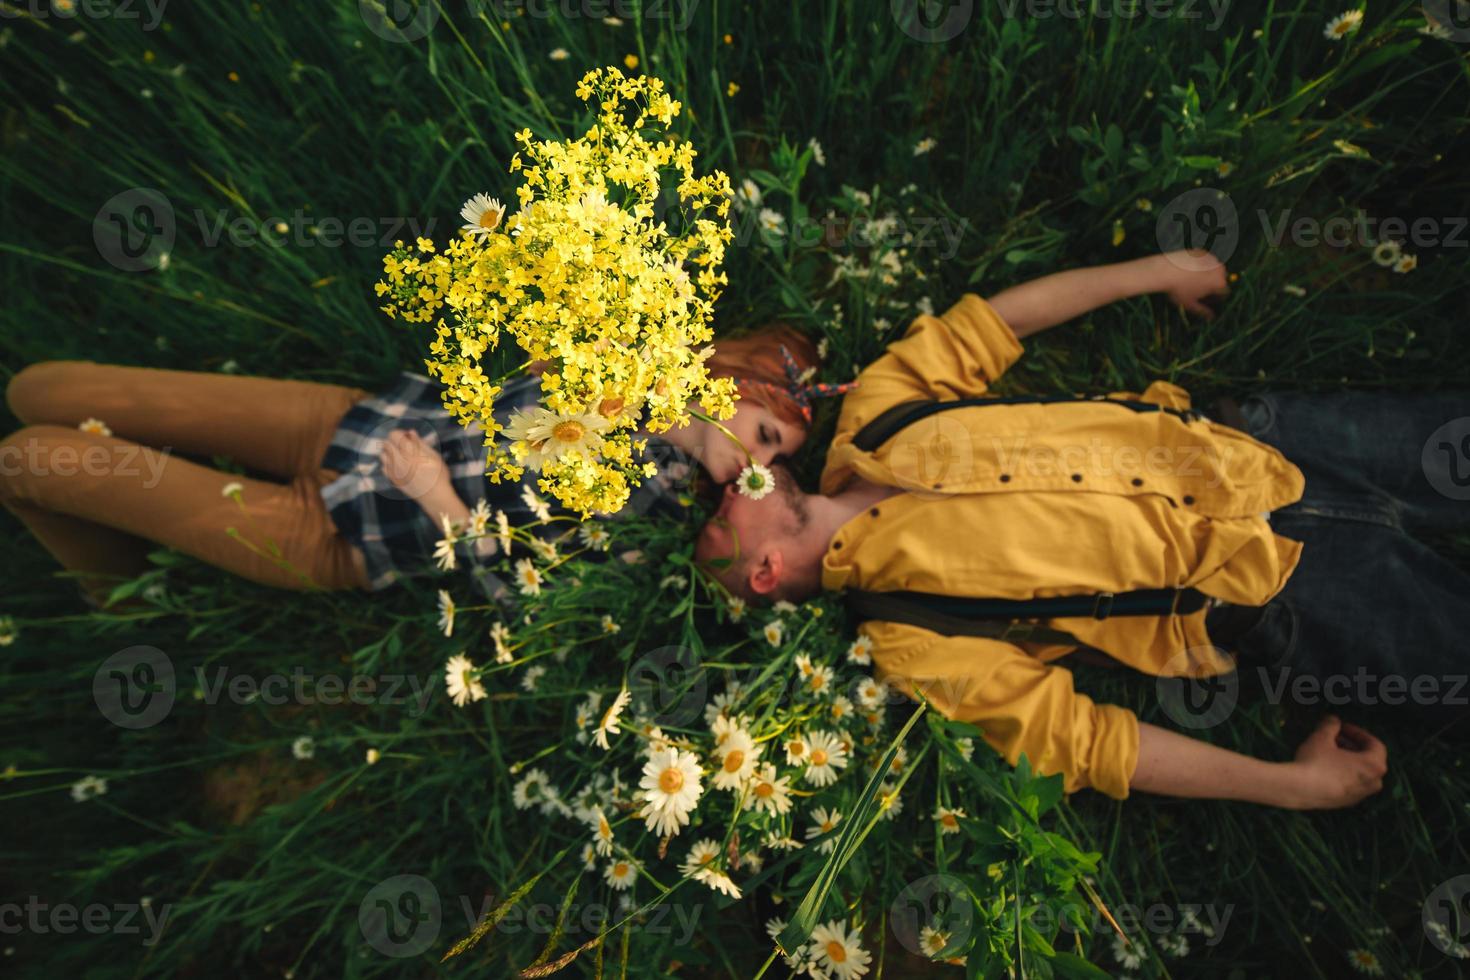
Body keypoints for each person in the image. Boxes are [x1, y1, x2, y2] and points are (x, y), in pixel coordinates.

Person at [697, 248, 1467, 811]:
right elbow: (1094, 743)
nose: (730, 480)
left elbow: (994, 323)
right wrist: (1291, 787)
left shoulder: (876, 414)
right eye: (718, 511)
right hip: (1283, 589)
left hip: (1262, 440)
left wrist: (1160, 268)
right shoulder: (907, 640)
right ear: (763, 571)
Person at [0, 325, 823, 607]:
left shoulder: (660, 507)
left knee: (29, 460)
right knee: (40, 389)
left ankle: (121, 593)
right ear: (734, 376)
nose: (757, 464)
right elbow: (497, 384)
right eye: (767, 432)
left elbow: (530, 603)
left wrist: (441, 503)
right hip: (350, 421)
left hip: (341, 534)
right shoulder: (634, 360)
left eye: (778, 459)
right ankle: (126, 512)